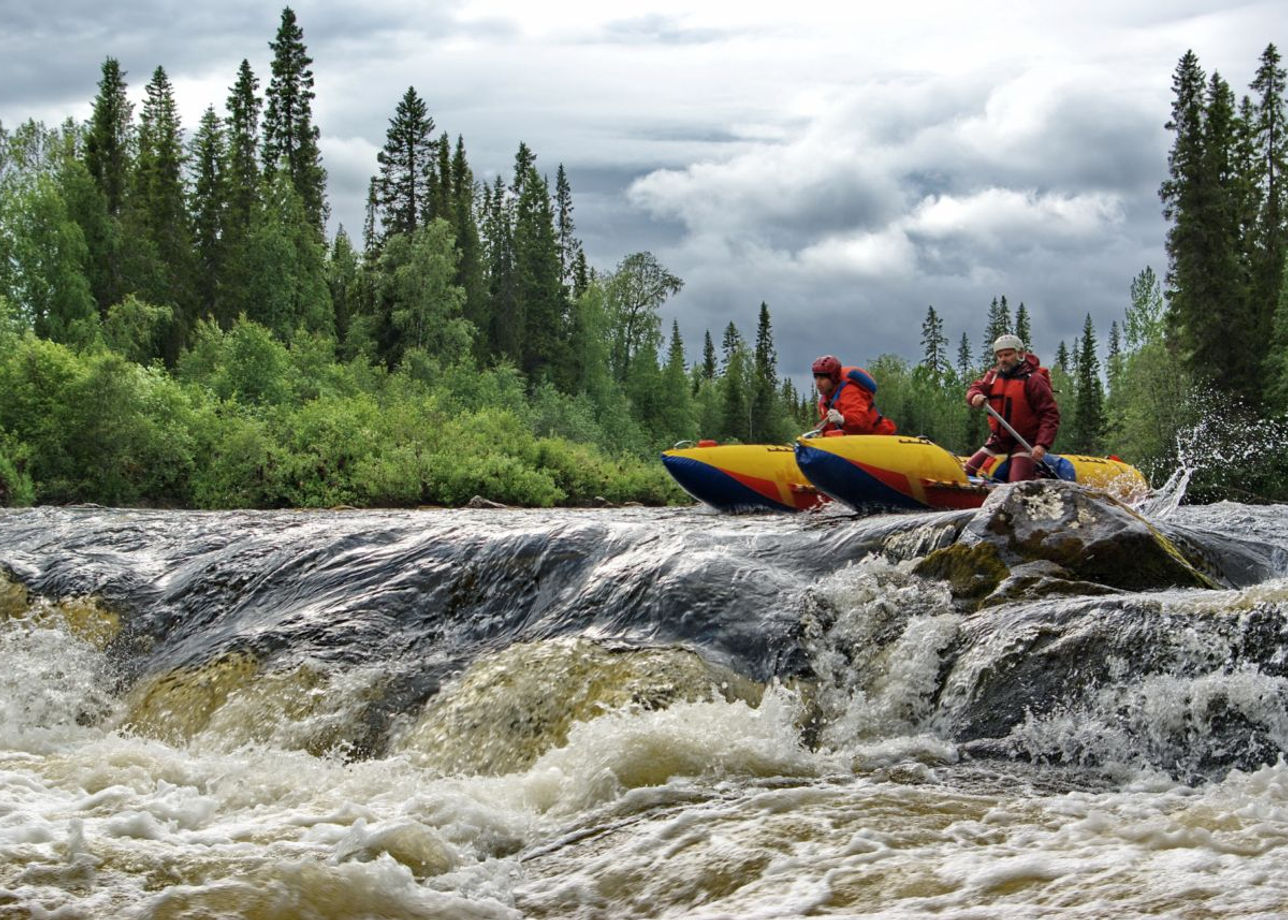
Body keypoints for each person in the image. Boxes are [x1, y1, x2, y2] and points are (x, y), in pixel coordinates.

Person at [964, 333, 1060, 482]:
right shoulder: (993, 376)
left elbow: (1050, 414)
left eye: (1008, 355)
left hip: (1025, 442)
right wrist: (974, 396)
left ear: (1020, 354)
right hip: (998, 440)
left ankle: (1037, 477)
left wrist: (1041, 445)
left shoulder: (1034, 380)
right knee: (967, 471)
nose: (1003, 359)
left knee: (1016, 483)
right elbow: (976, 388)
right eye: (1000, 356)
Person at [812, 355, 897, 435]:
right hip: (858, 442)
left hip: (880, 435)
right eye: (816, 378)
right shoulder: (824, 402)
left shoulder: (850, 391)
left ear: (833, 378)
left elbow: (860, 421)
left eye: (822, 378)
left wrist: (843, 419)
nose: (818, 383)